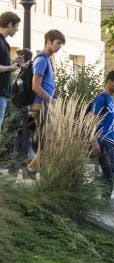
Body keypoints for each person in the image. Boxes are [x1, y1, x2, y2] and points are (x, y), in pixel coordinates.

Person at [26, 29, 65, 173]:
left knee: (49, 140)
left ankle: (37, 169)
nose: (59, 47)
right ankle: (31, 170)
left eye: (61, 44)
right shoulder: (42, 59)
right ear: (49, 41)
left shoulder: (47, 59)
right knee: (46, 141)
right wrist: (51, 100)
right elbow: (35, 86)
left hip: (45, 104)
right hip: (41, 105)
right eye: (58, 43)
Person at [89, 71, 114, 196]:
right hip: (103, 141)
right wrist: (94, 142)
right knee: (110, 175)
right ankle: (104, 201)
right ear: (109, 81)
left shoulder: (112, 100)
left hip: (112, 141)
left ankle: (97, 192)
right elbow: (90, 121)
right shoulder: (101, 99)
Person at [0, 12, 23, 136]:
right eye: (16, 26)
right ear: (9, 24)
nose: (17, 29)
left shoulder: (4, 42)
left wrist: (13, 63)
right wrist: (10, 67)